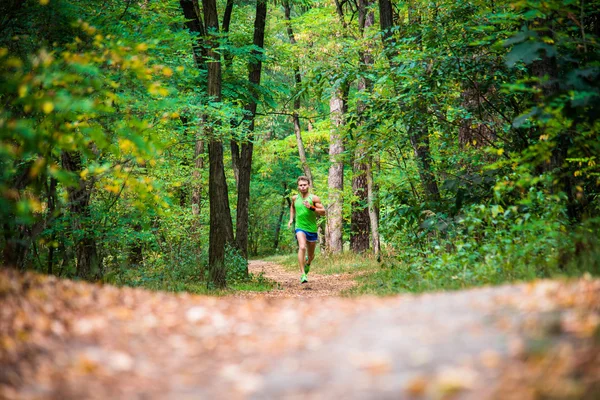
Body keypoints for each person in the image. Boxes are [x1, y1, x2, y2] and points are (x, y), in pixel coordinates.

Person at [288, 176, 325, 283]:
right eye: (301, 185)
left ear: (308, 185)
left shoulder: (314, 198)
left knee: (311, 255)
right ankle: (303, 274)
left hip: (312, 229)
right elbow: (292, 207)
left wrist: (311, 207)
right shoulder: (295, 198)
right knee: (302, 247)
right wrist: (291, 219)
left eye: (305, 185)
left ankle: (308, 263)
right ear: (298, 187)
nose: (303, 187)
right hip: (300, 227)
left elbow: (323, 212)